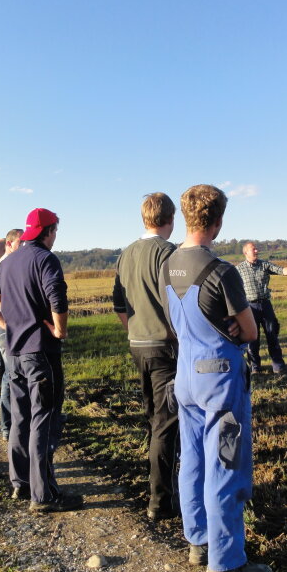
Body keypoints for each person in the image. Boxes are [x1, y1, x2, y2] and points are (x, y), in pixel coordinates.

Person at [161, 185, 272, 572]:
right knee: (226, 464)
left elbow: (174, 321)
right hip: (220, 382)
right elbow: (250, 330)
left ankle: (198, 540)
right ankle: (226, 563)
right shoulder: (222, 271)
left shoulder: (168, 265)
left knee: (190, 460)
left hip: (185, 377)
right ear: (218, 221)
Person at [0, 208, 82, 512]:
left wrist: (4, 323)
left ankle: (20, 483)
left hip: (14, 353)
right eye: (55, 231)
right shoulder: (45, 259)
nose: (55, 237)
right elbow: (57, 297)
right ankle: (44, 495)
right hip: (41, 353)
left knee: (21, 418)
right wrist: (60, 330)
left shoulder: (9, 261)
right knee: (44, 419)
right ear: (48, 231)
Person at [112, 192, 180, 521]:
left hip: (137, 344)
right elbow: (181, 306)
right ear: (171, 219)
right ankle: (161, 499)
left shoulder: (126, 254)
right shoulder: (169, 253)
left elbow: (119, 306)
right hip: (165, 347)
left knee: (154, 418)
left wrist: (136, 329)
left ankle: (159, 483)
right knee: (167, 424)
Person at [235, 242, 287, 374]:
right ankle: (255, 368)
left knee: (272, 335)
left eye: (257, 249)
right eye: (253, 249)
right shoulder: (238, 269)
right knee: (253, 338)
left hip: (265, 305)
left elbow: (281, 270)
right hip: (249, 307)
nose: (257, 251)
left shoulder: (264, 265)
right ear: (246, 253)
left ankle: (278, 366)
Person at [0, 228, 23, 441]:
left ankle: (14, 423)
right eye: (21, 243)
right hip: (6, 326)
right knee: (11, 374)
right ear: (9, 244)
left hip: (12, 325)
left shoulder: (12, 263)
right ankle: (8, 426)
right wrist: (7, 322)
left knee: (11, 373)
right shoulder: (5, 264)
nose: (24, 247)